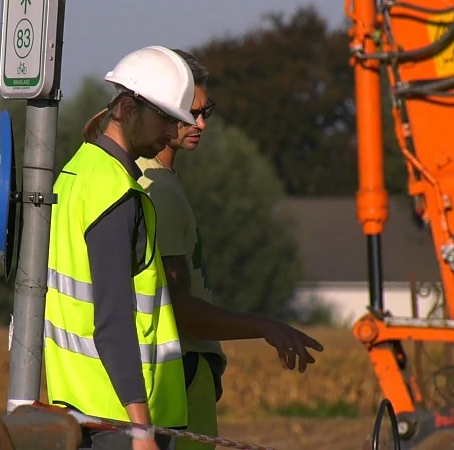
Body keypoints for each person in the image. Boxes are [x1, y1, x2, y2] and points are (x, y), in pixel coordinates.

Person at [134, 49, 326, 450]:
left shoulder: (157, 182)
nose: (201, 123)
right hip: (180, 376)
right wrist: (263, 326)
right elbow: (178, 308)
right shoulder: (158, 191)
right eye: (191, 112)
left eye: (207, 111)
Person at [43, 45, 198, 450]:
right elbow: (112, 321)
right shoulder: (115, 192)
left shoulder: (76, 173)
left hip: (82, 406)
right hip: (119, 420)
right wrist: (142, 428)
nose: (171, 133)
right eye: (165, 119)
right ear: (129, 107)